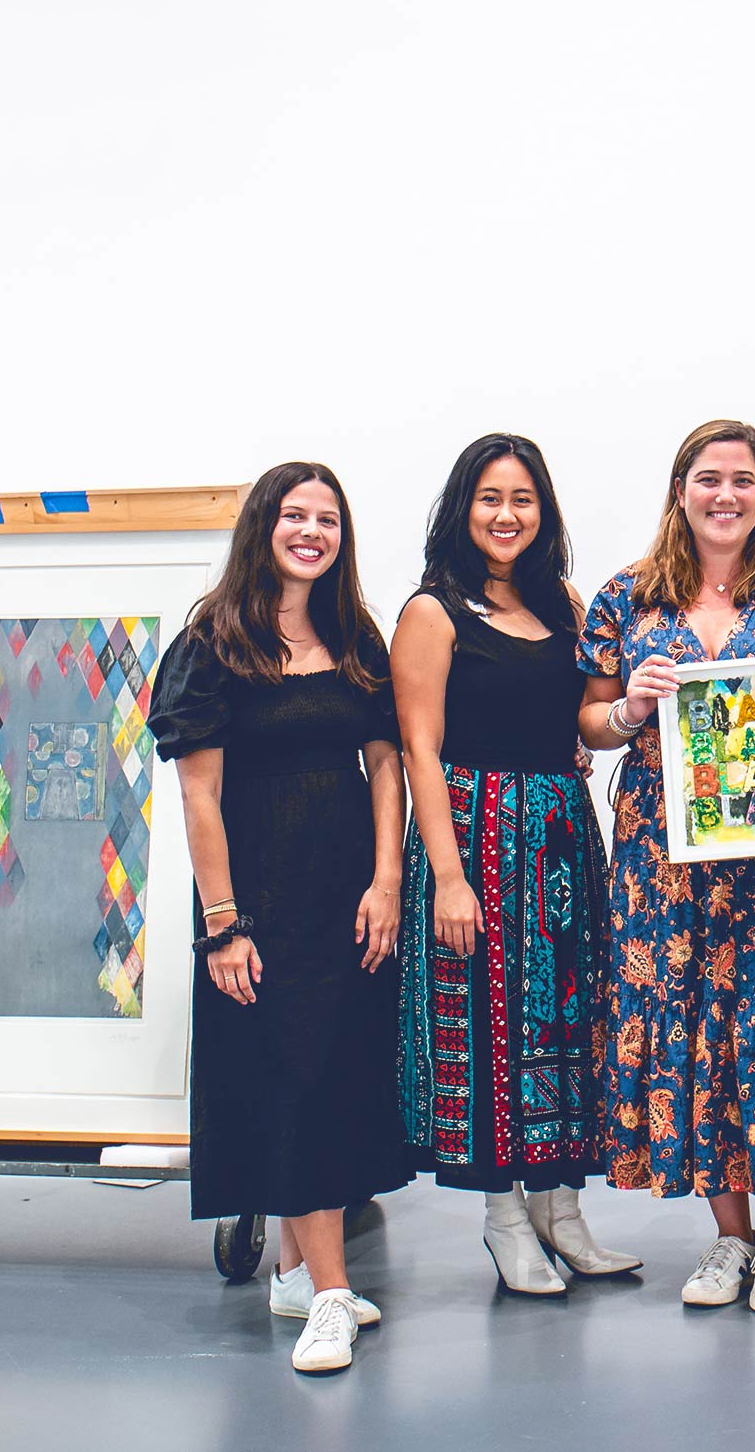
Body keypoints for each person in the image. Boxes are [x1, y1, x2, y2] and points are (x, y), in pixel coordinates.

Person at [576, 419, 755, 1315]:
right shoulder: (627, 598)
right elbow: (585, 722)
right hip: (663, 863)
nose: (726, 495)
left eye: (744, 480)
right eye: (709, 479)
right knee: (691, 1033)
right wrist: (628, 707)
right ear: (681, 491)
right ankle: (728, 1236)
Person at [150, 462, 411, 1375]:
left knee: (335, 1072)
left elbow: (387, 765)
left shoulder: (352, 633)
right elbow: (200, 794)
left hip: (348, 898)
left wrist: (387, 881)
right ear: (262, 524)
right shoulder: (214, 641)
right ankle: (333, 1297)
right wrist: (224, 922)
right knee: (292, 1076)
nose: (312, 531)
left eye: (328, 518)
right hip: (259, 902)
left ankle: (298, 1273)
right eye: (295, 515)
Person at [391, 435, 639, 1295]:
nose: (507, 514)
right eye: (491, 497)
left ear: (545, 512)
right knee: (492, 1030)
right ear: (464, 507)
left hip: (562, 840)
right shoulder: (434, 611)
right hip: (477, 838)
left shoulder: (564, 603)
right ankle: (503, 1221)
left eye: (523, 499)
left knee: (567, 1026)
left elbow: (585, 725)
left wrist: (633, 712)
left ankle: (562, 1212)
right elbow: (418, 749)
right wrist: (449, 876)